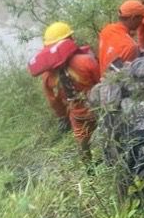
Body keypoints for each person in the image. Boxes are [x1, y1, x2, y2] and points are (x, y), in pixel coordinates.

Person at [28, 21, 104, 150]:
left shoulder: (47, 76)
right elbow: (101, 83)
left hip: (77, 115)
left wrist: (63, 116)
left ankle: (89, 168)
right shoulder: (85, 60)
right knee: (108, 133)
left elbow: (54, 101)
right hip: (99, 108)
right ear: (69, 40)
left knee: (82, 142)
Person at [97, 2, 144, 72]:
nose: (142, 21)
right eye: (141, 17)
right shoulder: (131, 47)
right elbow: (129, 76)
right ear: (133, 18)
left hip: (104, 77)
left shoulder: (107, 29)